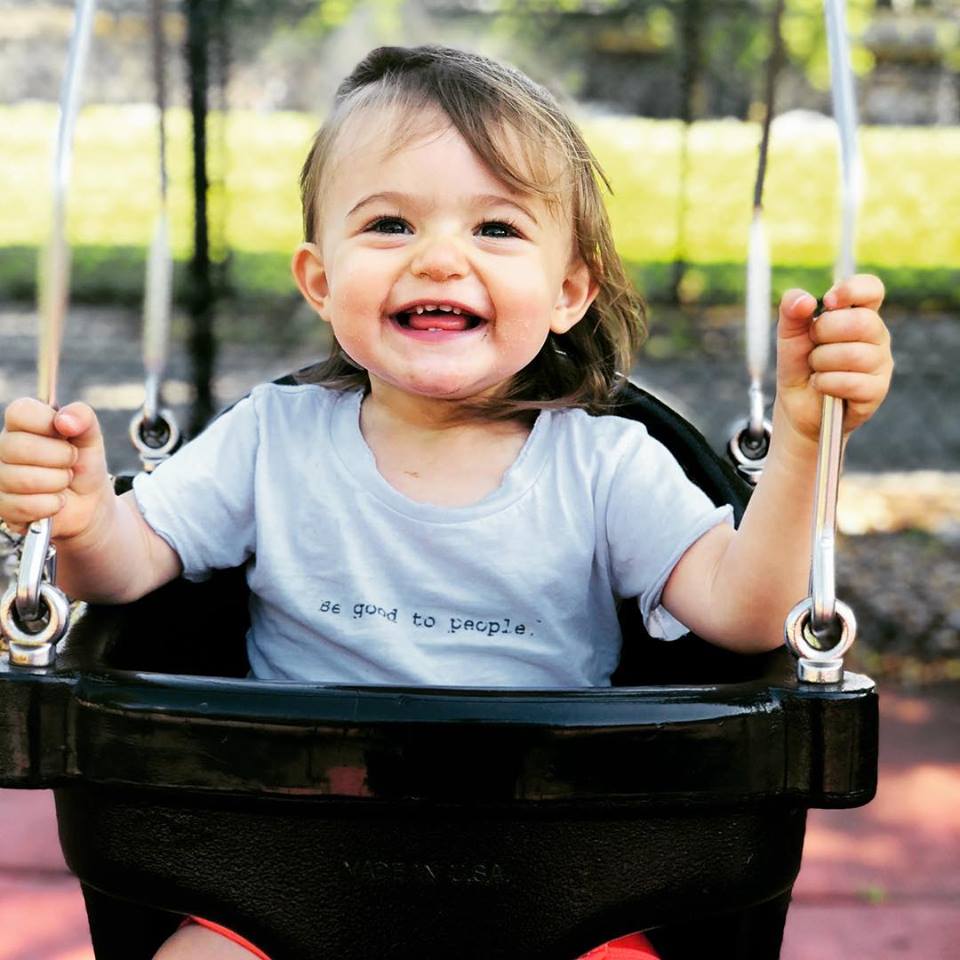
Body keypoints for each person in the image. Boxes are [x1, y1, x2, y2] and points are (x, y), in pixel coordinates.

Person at [0, 45, 891, 960]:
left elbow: (747, 617)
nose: (438, 259)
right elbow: (125, 569)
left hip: (557, 875)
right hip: (288, 863)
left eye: (496, 229)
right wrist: (77, 517)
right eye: (389, 223)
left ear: (567, 292)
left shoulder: (609, 466)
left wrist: (806, 444)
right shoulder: (271, 438)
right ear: (319, 279)